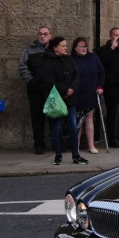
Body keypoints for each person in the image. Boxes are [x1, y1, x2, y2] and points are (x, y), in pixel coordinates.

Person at [42, 37, 88, 166]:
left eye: (66, 45)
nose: (66, 48)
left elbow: (76, 75)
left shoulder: (69, 59)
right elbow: (49, 81)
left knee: (73, 127)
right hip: (58, 100)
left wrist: (71, 89)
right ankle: (58, 155)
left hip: (70, 99)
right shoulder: (48, 62)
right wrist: (65, 90)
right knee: (57, 127)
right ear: (55, 48)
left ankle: (76, 155)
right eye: (63, 46)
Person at [18, 26, 52, 154]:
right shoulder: (29, 51)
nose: (42, 36)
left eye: (45, 34)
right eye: (40, 34)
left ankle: (56, 143)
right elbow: (23, 67)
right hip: (35, 89)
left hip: (51, 89)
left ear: (50, 36)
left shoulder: (54, 50)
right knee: (37, 118)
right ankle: (39, 145)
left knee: (55, 116)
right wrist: (31, 80)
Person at [71, 37, 105, 154]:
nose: (84, 48)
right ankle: (76, 146)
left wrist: (100, 86)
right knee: (77, 121)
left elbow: (101, 72)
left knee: (89, 119)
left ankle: (91, 145)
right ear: (75, 48)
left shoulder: (93, 57)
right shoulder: (71, 60)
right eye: (81, 46)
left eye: (85, 46)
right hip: (77, 94)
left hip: (91, 93)